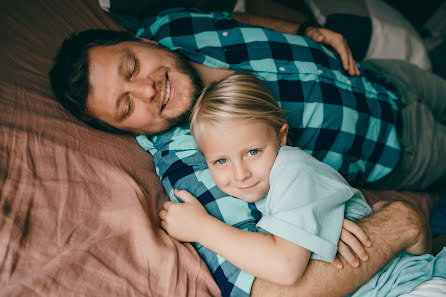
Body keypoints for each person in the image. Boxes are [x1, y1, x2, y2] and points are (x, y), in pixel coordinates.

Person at [49, 8, 445, 297]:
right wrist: (399, 225)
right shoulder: (194, 166)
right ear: (127, 131)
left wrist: (304, 29)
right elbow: (273, 288)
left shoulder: (173, 24)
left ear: (144, 41)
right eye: (126, 107)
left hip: (377, 74)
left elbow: (237, 17)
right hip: (399, 145)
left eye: (132, 67)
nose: (146, 90)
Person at [158, 72, 446, 295]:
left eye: (253, 152)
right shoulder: (267, 188)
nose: (240, 173)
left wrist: (202, 228)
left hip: (406, 289)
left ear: (281, 138)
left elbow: (285, 267)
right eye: (220, 161)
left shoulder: (292, 167)